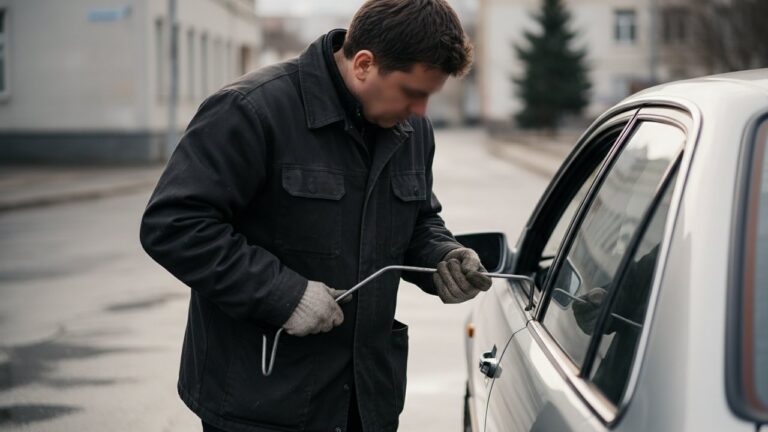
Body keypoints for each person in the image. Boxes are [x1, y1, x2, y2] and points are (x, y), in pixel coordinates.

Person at [139, 1, 489, 431]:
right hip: (262, 402)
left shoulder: (412, 130)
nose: (420, 110)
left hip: (366, 401)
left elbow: (418, 219)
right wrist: (282, 295)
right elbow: (174, 224)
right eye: (412, 92)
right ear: (364, 64)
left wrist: (442, 255)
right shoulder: (250, 110)